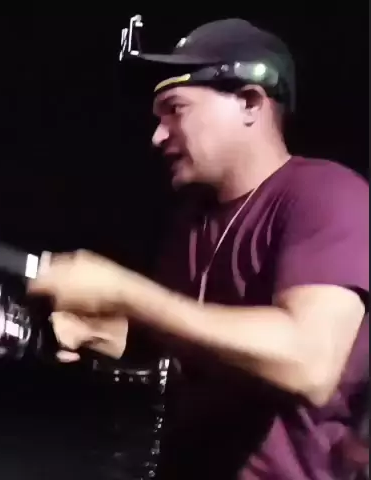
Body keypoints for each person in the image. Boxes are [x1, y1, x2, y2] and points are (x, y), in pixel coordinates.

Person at [28, 19, 369, 479]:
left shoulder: (328, 194)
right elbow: (189, 341)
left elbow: (308, 361)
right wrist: (92, 332)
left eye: (176, 109)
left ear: (249, 102)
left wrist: (124, 290)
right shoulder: (192, 220)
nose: (157, 136)